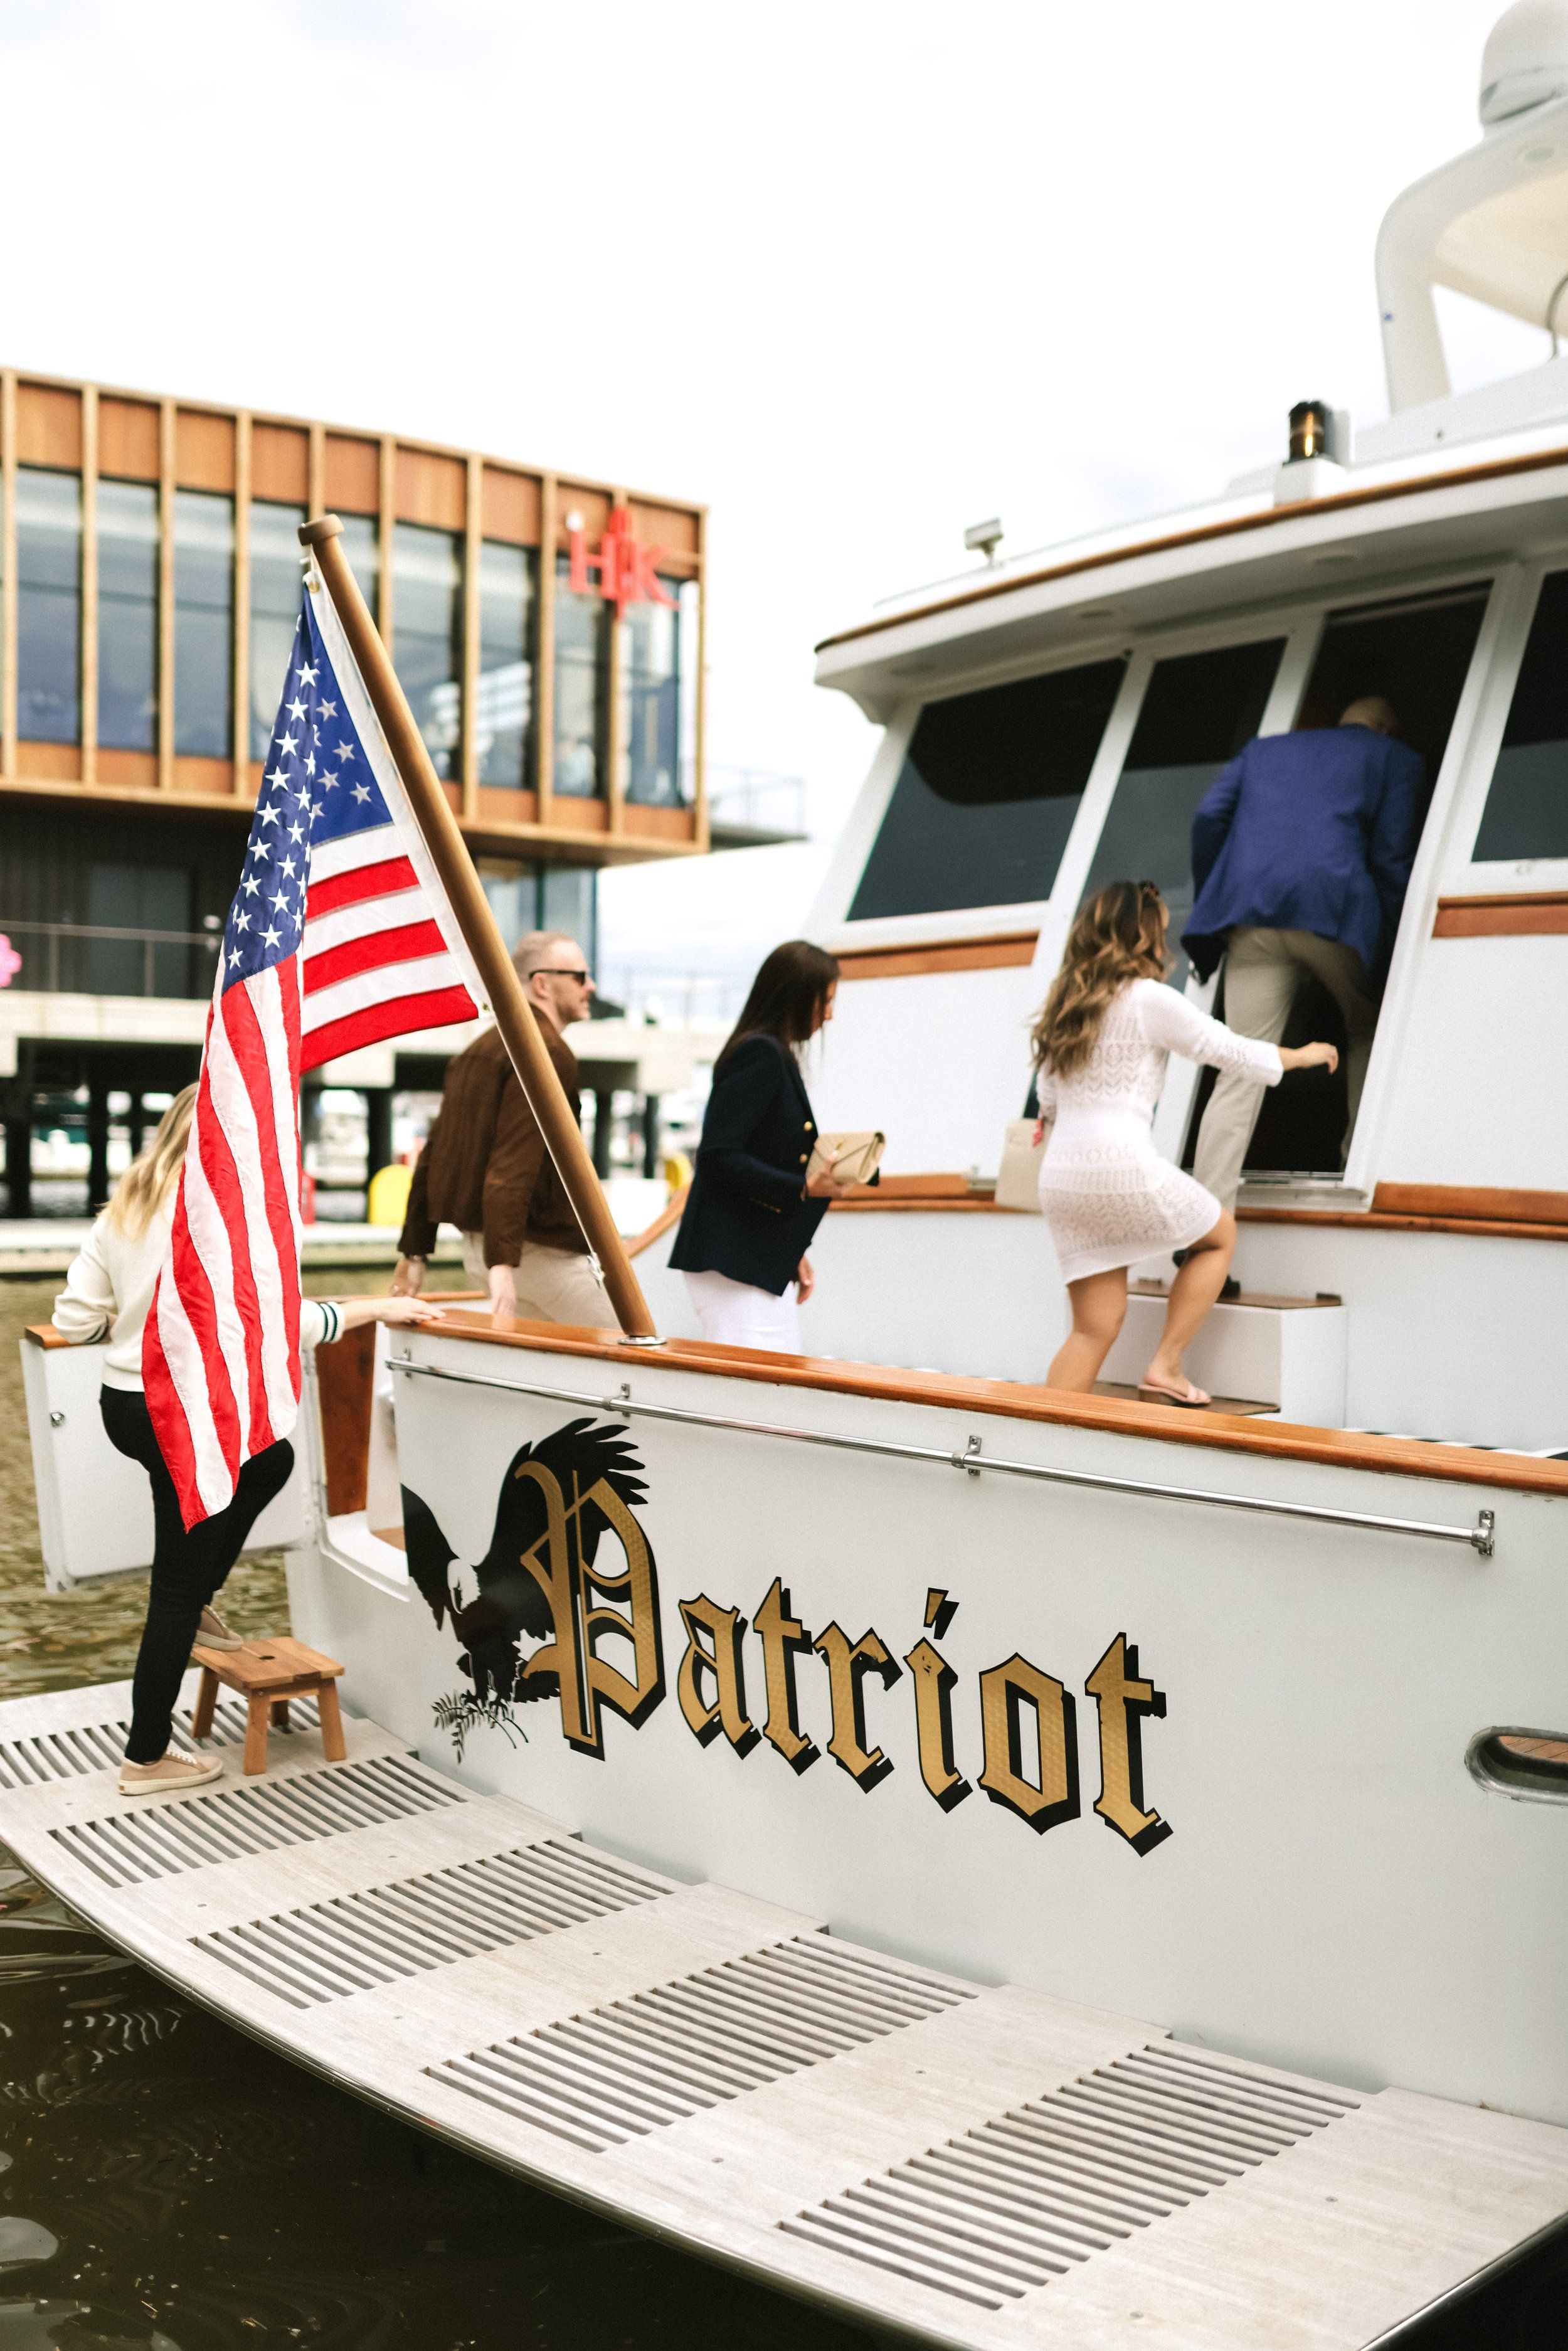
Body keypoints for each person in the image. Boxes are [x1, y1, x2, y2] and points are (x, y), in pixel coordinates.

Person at [51, 1085, 432, 1797]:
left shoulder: (123, 1209)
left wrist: (133, 1330)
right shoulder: (228, 1221)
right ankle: (146, 1755)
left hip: (127, 1406)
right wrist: (378, 1307)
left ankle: (196, 1604)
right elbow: (283, 1327)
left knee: (271, 1462)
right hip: (185, 1415)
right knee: (175, 1584)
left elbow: (73, 1321)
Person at [1032, 882, 1338, 1406]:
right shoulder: (1148, 999)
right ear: (1144, 935)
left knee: (1092, 1329)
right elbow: (1227, 1050)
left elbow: (1048, 1100)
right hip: (1118, 1163)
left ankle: (1033, 1442)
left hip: (1062, 1177)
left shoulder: (1065, 1007)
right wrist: (1303, 1055)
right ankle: (1166, 1364)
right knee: (1218, 1236)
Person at [1184, 696, 1424, 1207]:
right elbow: (1392, 859)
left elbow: (1208, 819)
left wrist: (1219, 895)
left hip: (1249, 913)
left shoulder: (1263, 751)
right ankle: (1348, 1175)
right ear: (1386, 728)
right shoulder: (1396, 759)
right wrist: (1386, 948)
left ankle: (1206, 1219)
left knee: (1241, 1062)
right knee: (1365, 1028)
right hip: (1333, 910)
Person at [393, 930, 612, 1326]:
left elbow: (434, 1157)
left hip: (485, 1252)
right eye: (580, 977)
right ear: (541, 983)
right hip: (537, 1256)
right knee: (630, 1353)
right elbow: (514, 1164)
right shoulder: (546, 1051)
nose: (590, 987)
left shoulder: (475, 1052)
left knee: (539, 1375)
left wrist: (415, 1250)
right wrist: (504, 1265)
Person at [670, 941, 854, 1349]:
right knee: (751, 1393)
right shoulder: (761, 1055)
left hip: (752, 1259)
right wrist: (803, 1188)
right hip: (734, 1263)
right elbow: (718, 1156)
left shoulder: (770, 1054)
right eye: (824, 1000)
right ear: (796, 996)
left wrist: (787, 1251)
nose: (829, 1014)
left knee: (768, 1389)